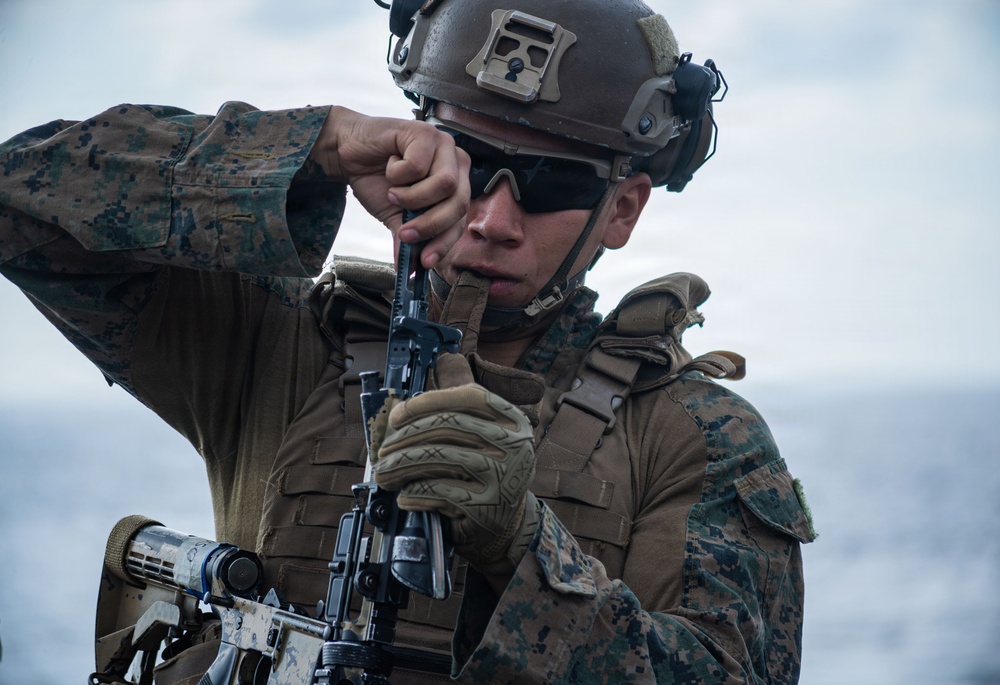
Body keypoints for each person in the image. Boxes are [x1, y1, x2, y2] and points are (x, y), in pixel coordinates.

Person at [0, 0, 817, 683]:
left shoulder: (698, 435)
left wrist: (526, 547)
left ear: (625, 208)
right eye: (469, 159)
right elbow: (21, 200)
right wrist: (318, 148)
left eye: (550, 185)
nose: (494, 219)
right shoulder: (278, 347)